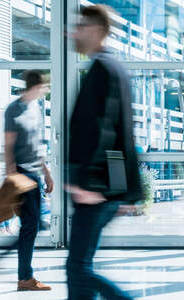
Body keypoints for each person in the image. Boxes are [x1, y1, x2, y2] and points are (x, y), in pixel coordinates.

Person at [62, 5, 144, 299]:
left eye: (80, 26)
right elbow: (122, 132)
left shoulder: (104, 69)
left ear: (97, 31)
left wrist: (88, 184)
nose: (72, 32)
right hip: (107, 185)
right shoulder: (114, 68)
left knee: (78, 268)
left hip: (96, 187)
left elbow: (103, 130)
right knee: (79, 269)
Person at [2, 67, 53, 291]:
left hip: (35, 173)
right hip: (21, 173)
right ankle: (24, 277)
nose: (45, 91)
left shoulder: (36, 108)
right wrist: (11, 177)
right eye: (44, 87)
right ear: (35, 86)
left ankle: (18, 268)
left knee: (32, 224)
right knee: (31, 224)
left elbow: (38, 147)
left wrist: (47, 173)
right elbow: (8, 146)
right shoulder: (13, 110)